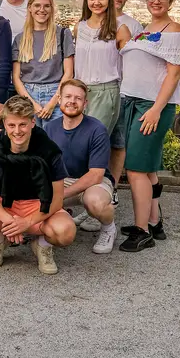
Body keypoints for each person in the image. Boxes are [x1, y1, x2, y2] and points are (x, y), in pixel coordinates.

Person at [0, 96, 75, 274]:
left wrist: (27, 222)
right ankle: (0, 241)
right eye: (11, 125)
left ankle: (42, 245)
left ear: (33, 122)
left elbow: (57, 198)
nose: (17, 131)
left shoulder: (50, 150)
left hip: (39, 204)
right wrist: (10, 221)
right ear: (4, 124)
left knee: (66, 232)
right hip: (4, 203)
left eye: (22, 125)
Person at [119, 0, 180, 253]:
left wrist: (156, 110)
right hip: (134, 101)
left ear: (171, 0)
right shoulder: (146, 28)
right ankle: (154, 221)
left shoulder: (174, 30)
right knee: (146, 168)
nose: (156, 1)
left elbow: (174, 74)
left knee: (135, 168)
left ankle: (142, 230)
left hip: (151, 105)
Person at [44, 79, 118, 254]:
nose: (72, 101)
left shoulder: (97, 129)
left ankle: (109, 228)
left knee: (95, 202)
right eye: (68, 96)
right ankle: (39, 234)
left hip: (93, 182)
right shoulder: (49, 128)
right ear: (59, 99)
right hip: (63, 180)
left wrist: (60, 195)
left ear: (85, 104)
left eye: (78, 98)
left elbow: (96, 175)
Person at [73, 0, 131, 135]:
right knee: (78, 142)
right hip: (79, 91)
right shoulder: (79, 27)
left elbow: (130, 66)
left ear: (109, 0)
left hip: (106, 92)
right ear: (86, 0)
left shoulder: (120, 29)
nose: (96, 2)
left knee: (95, 141)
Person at [12, 0, 75, 129]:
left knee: (56, 143)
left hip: (56, 94)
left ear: (51, 9)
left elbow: (69, 73)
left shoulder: (63, 34)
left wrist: (52, 103)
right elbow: (16, 77)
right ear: (30, 8)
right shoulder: (20, 39)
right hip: (28, 95)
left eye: (46, 6)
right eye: (37, 5)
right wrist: (32, 104)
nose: (42, 10)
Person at [108, 0, 144, 187]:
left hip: (124, 90)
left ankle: (110, 186)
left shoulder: (134, 25)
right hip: (96, 90)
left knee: (118, 142)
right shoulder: (91, 22)